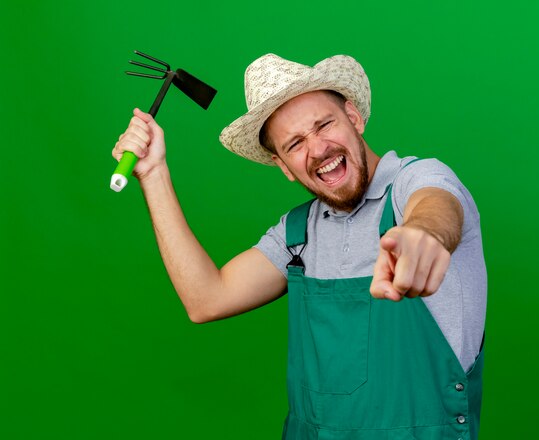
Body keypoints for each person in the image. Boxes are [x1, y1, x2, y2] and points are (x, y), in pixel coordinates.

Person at [112, 53, 487, 439]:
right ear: (284, 167)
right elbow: (206, 299)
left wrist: (423, 235)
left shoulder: (416, 182)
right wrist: (154, 173)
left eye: (324, 124)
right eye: (295, 144)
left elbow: (436, 207)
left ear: (353, 118)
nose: (319, 148)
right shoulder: (297, 234)